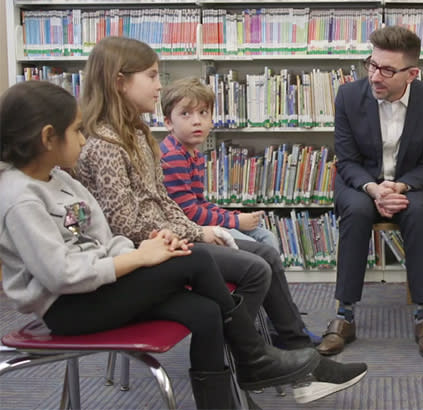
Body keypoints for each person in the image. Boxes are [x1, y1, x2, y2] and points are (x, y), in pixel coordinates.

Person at [72, 36, 365, 404]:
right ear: (119, 81)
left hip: (169, 240)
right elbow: (127, 224)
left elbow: (163, 202)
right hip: (143, 253)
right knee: (257, 266)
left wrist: (201, 230)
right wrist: (200, 232)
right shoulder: (106, 145)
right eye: (151, 75)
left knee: (258, 261)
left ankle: (279, 360)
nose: (159, 83)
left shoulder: (136, 134)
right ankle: (266, 360)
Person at [0, 80, 322, 409]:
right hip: (68, 308)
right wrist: (140, 259)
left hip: (99, 289)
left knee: (206, 311)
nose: (84, 139)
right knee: (194, 259)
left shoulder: (62, 180)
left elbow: (104, 241)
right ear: (47, 137)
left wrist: (145, 251)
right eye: (77, 131)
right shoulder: (20, 199)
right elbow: (61, 276)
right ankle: (252, 357)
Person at [318, 26, 423, 359]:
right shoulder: (349, 96)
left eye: (387, 70)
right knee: (357, 211)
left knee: (419, 213)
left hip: (407, 182)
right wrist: (375, 189)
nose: (375, 76)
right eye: (372, 64)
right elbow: (346, 160)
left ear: (412, 74)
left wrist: (399, 186)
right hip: (361, 182)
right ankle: (344, 316)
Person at [158, 77, 280, 251]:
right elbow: (189, 213)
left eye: (203, 113)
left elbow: (200, 202)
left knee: (267, 237)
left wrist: (234, 216)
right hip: (186, 230)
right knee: (256, 248)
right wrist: (236, 221)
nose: (196, 121)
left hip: (196, 222)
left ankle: (272, 278)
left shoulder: (195, 154)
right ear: (168, 122)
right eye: (186, 113)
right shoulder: (173, 156)